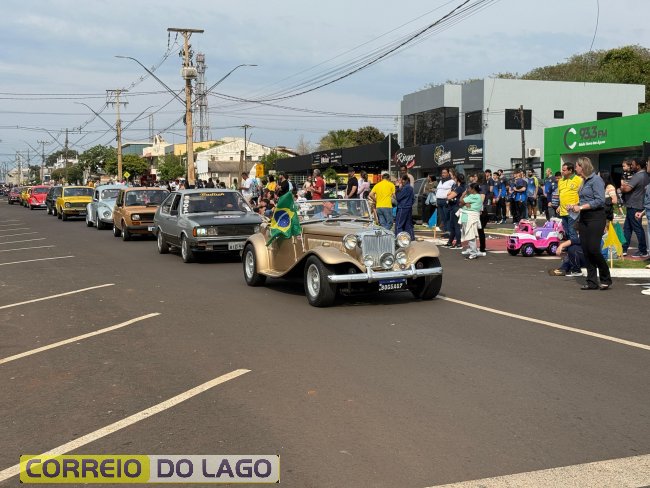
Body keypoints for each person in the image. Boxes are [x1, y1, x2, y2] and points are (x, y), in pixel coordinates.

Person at [567, 156, 611, 290]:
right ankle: (592, 281)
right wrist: (575, 206)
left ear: (583, 166)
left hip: (596, 217)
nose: (575, 169)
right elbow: (585, 200)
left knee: (593, 249)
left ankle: (606, 278)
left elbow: (600, 200)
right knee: (586, 250)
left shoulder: (596, 180)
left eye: (576, 166)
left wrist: (580, 207)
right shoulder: (583, 181)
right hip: (584, 218)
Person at [620, 157, 650, 257]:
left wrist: (622, 187)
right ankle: (624, 248)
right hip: (637, 205)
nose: (631, 166)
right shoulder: (646, 175)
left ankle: (643, 250)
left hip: (634, 206)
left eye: (632, 164)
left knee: (637, 228)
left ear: (638, 166)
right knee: (627, 228)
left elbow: (626, 189)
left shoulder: (638, 176)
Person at [558, 162, 582, 244]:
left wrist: (577, 205)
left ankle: (575, 248)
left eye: (564, 170)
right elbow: (561, 194)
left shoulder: (579, 180)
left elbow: (582, 195)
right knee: (566, 231)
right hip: (563, 210)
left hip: (573, 211)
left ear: (570, 170)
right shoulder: (560, 181)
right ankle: (570, 247)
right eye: (562, 170)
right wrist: (559, 206)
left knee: (572, 230)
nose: (562, 171)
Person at [459, 183, 483, 259]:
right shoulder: (475, 196)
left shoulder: (474, 196)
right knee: (469, 235)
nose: (468, 189)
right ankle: (471, 249)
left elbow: (460, 201)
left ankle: (473, 252)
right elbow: (461, 204)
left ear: (473, 189)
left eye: (469, 188)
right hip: (468, 217)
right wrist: (464, 203)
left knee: (471, 235)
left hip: (470, 217)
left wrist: (463, 195)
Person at [444, 172, 465, 248]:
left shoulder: (460, 188)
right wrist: (450, 194)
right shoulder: (456, 186)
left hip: (456, 207)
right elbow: (448, 194)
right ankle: (450, 241)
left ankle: (458, 242)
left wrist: (450, 195)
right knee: (452, 225)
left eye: (455, 178)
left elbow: (449, 196)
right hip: (453, 206)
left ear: (457, 179)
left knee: (456, 225)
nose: (454, 179)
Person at [395, 174, 415, 239]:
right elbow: (413, 199)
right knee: (408, 224)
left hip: (402, 207)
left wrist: (397, 187)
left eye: (402, 180)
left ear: (405, 180)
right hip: (408, 207)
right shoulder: (411, 188)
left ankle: (399, 239)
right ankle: (411, 237)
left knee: (398, 224)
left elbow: (398, 197)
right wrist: (409, 204)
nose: (401, 182)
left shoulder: (405, 188)